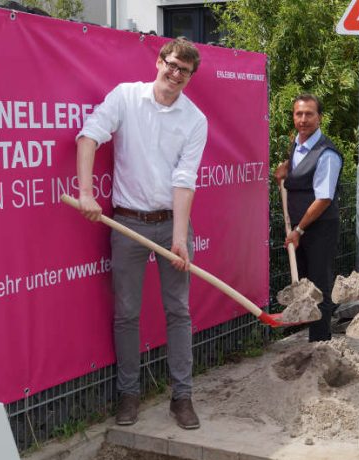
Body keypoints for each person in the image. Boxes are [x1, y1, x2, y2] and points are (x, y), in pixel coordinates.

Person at [75, 37, 207, 430]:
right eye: (171, 64)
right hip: (127, 222)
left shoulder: (194, 119)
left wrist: (180, 237)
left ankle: (181, 398)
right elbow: (88, 137)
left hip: (172, 224)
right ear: (159, 61)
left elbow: (184, 180)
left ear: (190, 76)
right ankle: (128, 395)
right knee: (127, 314)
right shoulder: (126, 98)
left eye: (184, 70)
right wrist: (85, 194)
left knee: (178, 312)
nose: (175, 74)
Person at [274, 94, 343, 342]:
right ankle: (311, 336)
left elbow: (323, 199)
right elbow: (298, 171)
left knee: (318, 286)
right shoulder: (297, 144)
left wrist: (299, 231)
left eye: (309, 114)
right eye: (298, 114)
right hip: (300, 228)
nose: (303, 119)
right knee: (304, 282)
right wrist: (285, 170)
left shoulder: (327, 154)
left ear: (319, 117)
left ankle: (321, 344)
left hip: (319, 228)